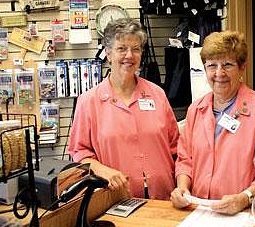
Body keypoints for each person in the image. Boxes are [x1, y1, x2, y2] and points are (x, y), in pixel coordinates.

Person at [68, 18, 179, 200]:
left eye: (136, 49)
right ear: (108, 53)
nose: (129, 55)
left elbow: (175, 146)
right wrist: (104, 171)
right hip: (116, 198)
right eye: (122, 48)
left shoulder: (157, 94)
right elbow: (79, 153)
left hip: (164, 195)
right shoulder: (89, 101)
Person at [170, 30, 255, 214]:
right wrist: (182, 187)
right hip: (198, 211)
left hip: (243, 214)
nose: (219, 73)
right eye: (211, 65)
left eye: (227, 65)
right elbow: (185, 159)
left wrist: (246, 197)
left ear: (242, 67)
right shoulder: (195, 109)